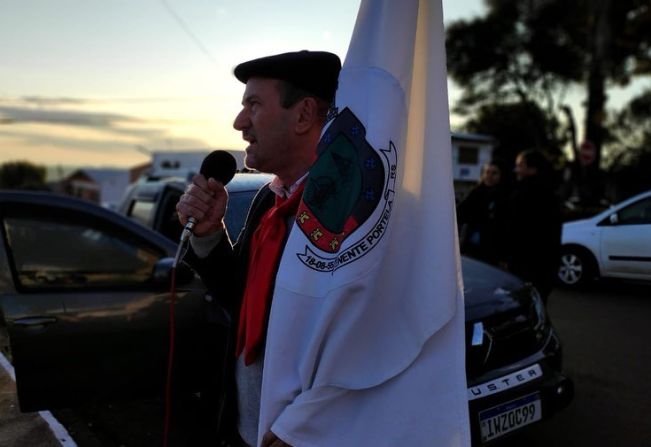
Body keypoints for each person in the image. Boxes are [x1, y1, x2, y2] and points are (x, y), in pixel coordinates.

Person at [176, 50, 341, 447]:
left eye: (253, 105)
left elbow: (366, 340)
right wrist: (210, 233)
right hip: (247, 426)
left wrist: (302, 426)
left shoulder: (351, 212)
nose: (239, 123)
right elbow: (242, 297)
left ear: (303, 115)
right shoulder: (270, 200)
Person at [501, 149, 562, 302]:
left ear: (533, 169)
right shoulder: (552, 194)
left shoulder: (521, 194)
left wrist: (506, 257)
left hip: (525, 264)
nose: (516, 169)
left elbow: (513, 229)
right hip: (545, 265)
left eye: (520, 165)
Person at [456, 159, 509, 265]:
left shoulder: (505, 196)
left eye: (494, 173)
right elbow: (460, 212)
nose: (489, 176)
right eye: (487, 172)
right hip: (470, 246)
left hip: (491, 249)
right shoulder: (476, 192)